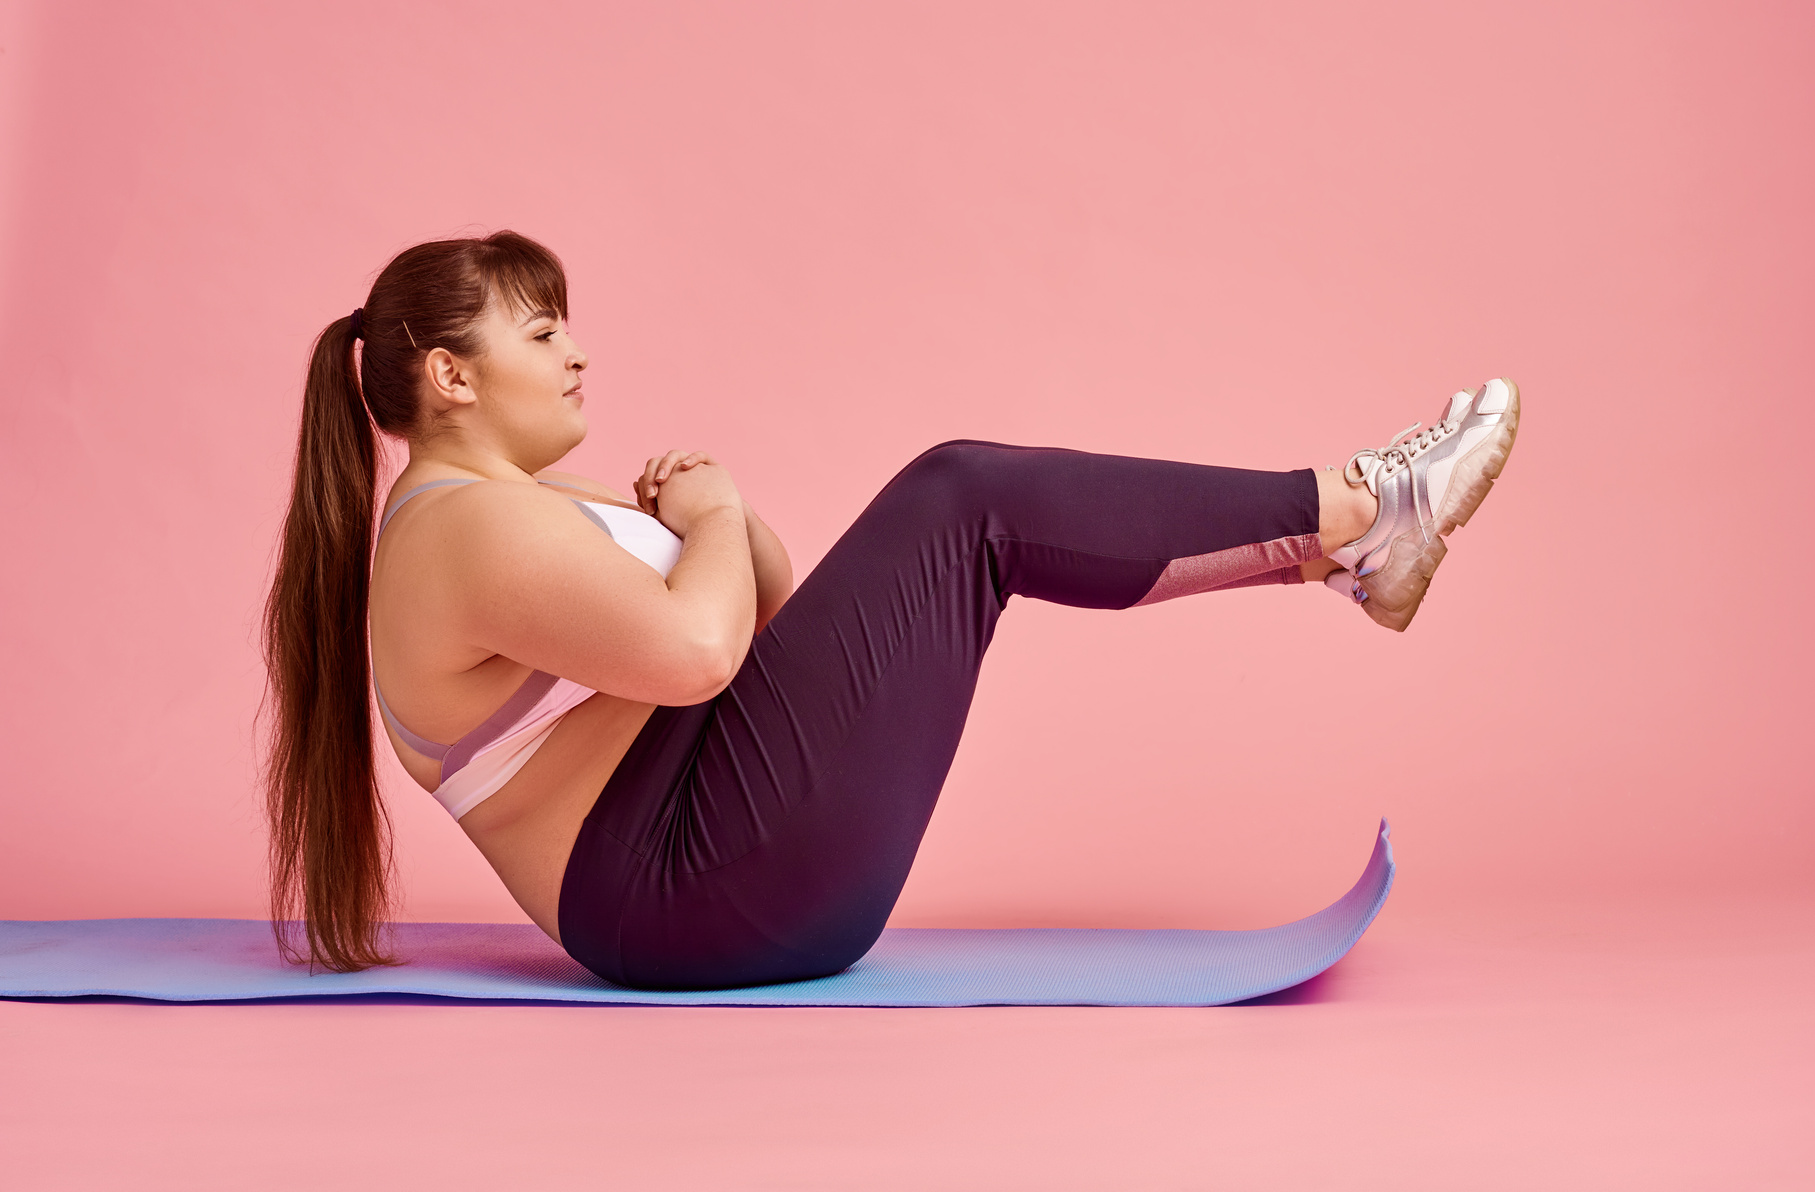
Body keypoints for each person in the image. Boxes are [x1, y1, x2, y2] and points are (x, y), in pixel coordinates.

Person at [263, 231, 1520, 988]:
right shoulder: (461, 529)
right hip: (681, 893)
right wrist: (709, 518)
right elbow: (704, 654)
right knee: (961, 491)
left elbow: (786, 620)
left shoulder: (515, 505)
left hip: (708, 849)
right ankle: (1361, 510)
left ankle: (1342, 547)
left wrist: (726, 522)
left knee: (966, 516)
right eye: (543, 334)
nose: (578, 355)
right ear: (450, 374)